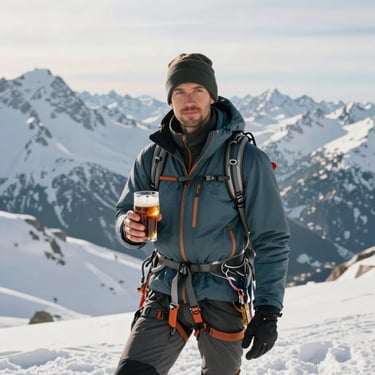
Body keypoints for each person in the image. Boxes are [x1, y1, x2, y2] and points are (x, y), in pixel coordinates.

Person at [114, 53, 290, 375]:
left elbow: (271, 238)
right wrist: (128, 228)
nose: (189, 100)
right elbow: (125, 210)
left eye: (197, 90)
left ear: (212, 95)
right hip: (165, 288)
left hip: (224, 289)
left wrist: (268, 310)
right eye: (179, 92)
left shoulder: (246, 160)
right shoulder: (152, 157)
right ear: (170, 99)